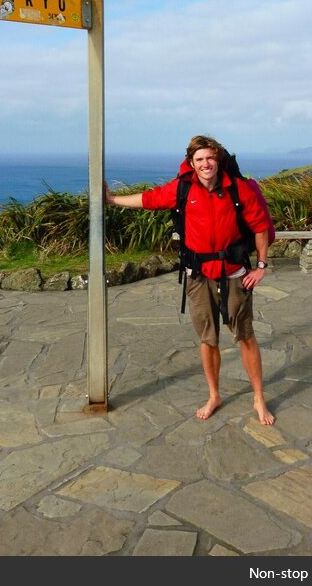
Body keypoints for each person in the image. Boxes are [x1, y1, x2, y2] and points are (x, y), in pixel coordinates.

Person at [105, 134, 275, 426]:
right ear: (191, 163)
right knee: (208, 339)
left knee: (245, 336)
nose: (206, 164)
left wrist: (260, 266)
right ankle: (214, 395)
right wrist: (111, 200)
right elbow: (149, 199)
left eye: (210, 158)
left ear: (218, 159)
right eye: (199, 160)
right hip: (198, 276)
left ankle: (259, 397)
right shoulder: (183, 189)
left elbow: (260, 227)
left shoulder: (238, 189)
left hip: (235, 273)